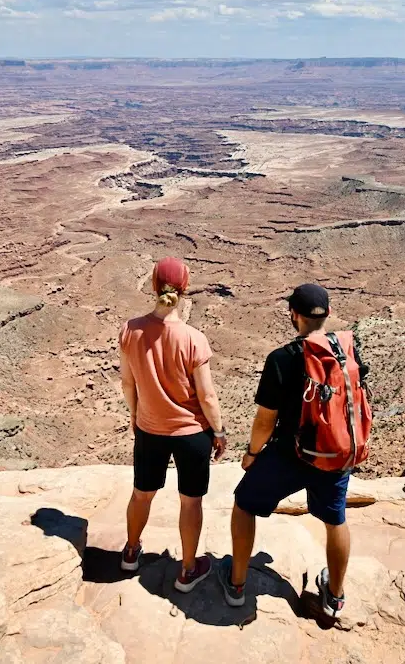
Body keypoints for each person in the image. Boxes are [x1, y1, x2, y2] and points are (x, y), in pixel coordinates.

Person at [219, 283, 368, 619]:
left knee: (244, 504)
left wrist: (252, 454)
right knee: (336, 520)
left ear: (294, 315)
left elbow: (264, 422)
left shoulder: (282, 359)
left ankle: (237, 584)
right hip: (334, 454)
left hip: (289, 455)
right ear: (328, 313)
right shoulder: (348, 350)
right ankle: (335, 596)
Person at [118, 256, 227, 593]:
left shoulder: (130, 330)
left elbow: (127, 384)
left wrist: (137, 417)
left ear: (154, 286)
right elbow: (207, 396)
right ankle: (188, 570)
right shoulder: (194, 338)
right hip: (192, 434)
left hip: (150, 429)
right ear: (185, 287)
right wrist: (219, 431)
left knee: (142, 493)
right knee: (190, 502)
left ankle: (132, 552)